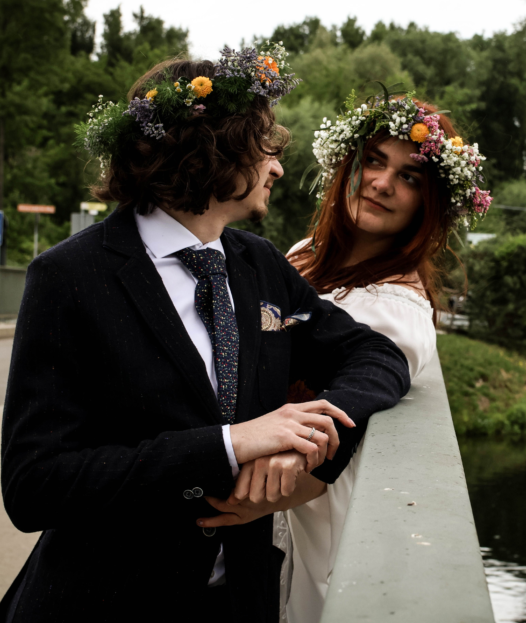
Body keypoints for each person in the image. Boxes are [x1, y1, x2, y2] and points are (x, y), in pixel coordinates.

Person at [0, 47, 411, 622]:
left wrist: (309, 433)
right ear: (217, 149)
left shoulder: (260, 266)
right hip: (100, 603)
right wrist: (230, 444)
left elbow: (375, 355)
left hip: (238, 602)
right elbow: (34, 485)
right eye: (266, 147)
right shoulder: (69, 278)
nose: (278, 167)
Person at [196, 91, 491, 622]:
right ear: (348, 167)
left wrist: (252, 500)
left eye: (409, 178)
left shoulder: (397, 310)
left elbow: (338, 424)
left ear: (428, 205)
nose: (381, 182)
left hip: (305, 509)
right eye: (374, 161)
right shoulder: (300, 256)